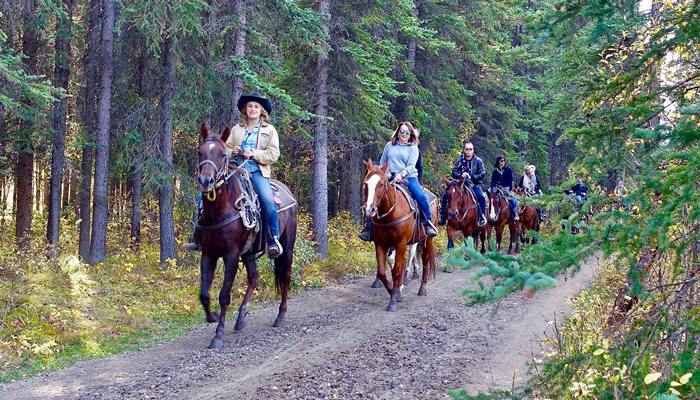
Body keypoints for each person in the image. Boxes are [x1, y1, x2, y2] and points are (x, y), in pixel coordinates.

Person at [183, 92, 283, 259]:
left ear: (261, 111)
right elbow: (223, 150)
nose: (252, 109)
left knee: (267, 200)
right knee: (202, 197)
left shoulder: (269, 130)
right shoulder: (237, 129)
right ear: (245, 109)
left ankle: (273, 240)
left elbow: (274, 154)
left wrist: (254, 154)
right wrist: (232, 151)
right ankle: (198, 238)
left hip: (257, 172)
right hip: (235, 171)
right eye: (250, 106)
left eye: (256, 107)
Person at [358, 121, 437, 241]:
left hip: (408, 177)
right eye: (402, 131)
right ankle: (369, 228)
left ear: (410, 134)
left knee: (421, 196)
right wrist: (386, 174)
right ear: (398, 132)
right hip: (389, 176)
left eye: (406, 132)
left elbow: (411, 165)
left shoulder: (413, 148)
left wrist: (401, 174)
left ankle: (428, 224)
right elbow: (383, 162)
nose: (404, 134)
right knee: (373, 197)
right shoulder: (389, 145)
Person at [438, 141, 487, 227]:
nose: (468, 151)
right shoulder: (460, 161)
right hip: (459, 184)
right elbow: (454, 171)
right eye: (467, 149)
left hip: (473, 183)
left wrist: (471, 177)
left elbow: (482, 173)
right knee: (446, 195)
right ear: (464, 150)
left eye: (470, 149)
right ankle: (443, 217)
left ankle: (482, 216)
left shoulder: (478, 161)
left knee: (481, 197)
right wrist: (461, 175)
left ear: (473, 150)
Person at [489, 156, 519, 222]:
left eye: (504, 160)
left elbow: (511, 179)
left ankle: (515, 213)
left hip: (506, 187)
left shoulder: (508, 169)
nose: (503, 162)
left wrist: (510, 188)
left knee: (513, 199)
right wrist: (493, 187)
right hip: (497, 187)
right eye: (501, 161)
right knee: (487, 195)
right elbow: (493, 181)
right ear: (498, 162)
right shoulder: (495, 171)